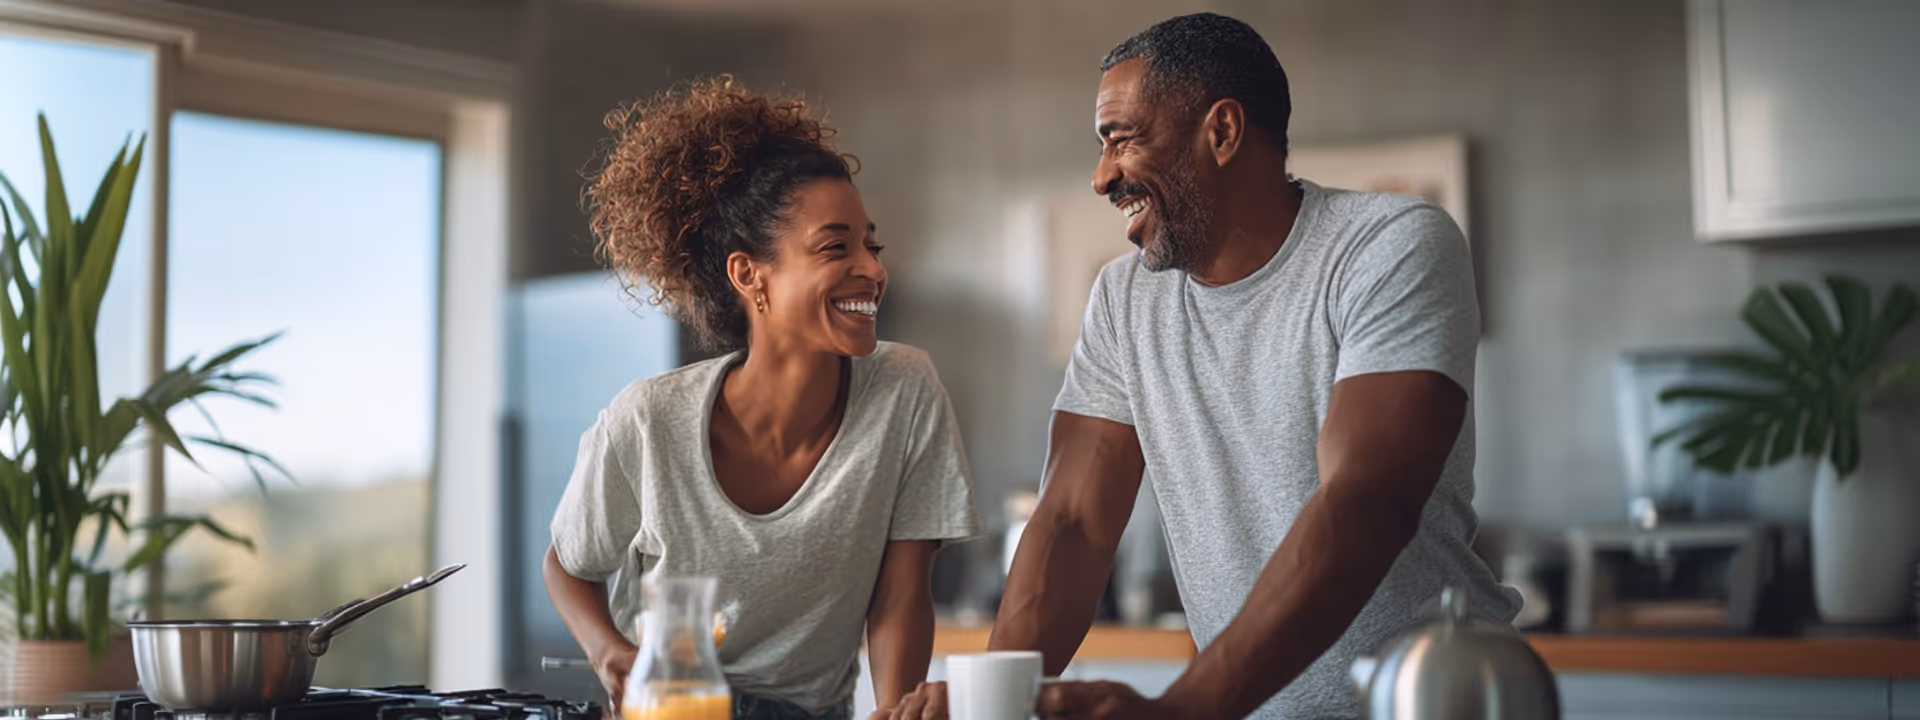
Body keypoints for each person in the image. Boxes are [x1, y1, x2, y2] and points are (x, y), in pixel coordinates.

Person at [888, 13, 1516, 720]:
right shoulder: (1125, 300)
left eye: (1120, 140)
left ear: (1220, 132)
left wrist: (1184, 709)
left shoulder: (1388, 248)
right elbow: (1073, 524)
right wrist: (993, 699)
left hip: (1425, 701)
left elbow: (1366, 502)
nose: (1102, 177)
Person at [545, 76, 980, 720]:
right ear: (750, 275)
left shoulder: (905, 389)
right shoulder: (649, 419)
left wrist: (895, 710)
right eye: (837, 246)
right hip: (669, 706)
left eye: (871, 244)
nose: (872, 268)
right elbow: (568, 563)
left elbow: (901, 593)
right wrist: (609, 654)